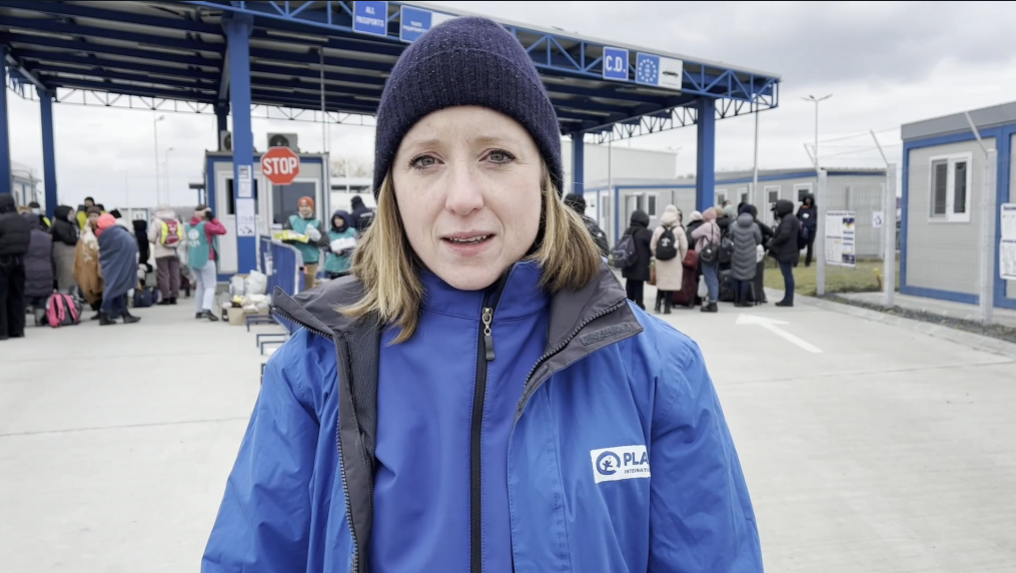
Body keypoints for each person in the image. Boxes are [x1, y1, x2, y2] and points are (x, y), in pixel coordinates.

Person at [202, 16, 763, 573]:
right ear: (391, 189)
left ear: (543, 177)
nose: (463, 197)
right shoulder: (317, 369)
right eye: (426, 160)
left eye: (497, 156)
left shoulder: (658, 369)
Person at [95, 214, 141, 325]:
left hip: (111, 263)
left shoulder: (102, 234)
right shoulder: (118, 233)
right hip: (119, 262)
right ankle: (104, 314)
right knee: (113, 287)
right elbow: (130, 244)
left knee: (117, 286)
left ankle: (124, 314)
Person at [186, 205, 227, 321]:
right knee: (210, 285)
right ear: (205, 214)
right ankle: (207, 309)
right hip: (206, 258)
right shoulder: (206, 225)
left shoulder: (189, 226)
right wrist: (213, 219)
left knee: (200, 285)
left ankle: (198, 311)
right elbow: (222, 230)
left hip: (194, 259)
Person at [0, 194, 31, 340]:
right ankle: (17, 329)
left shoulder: (1, 220)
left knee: (2, 296)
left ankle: (2, 331)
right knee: (17, 295)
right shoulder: (23, 221)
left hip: (2, 261)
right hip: (20, 261)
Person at [650, 204, 688, 314]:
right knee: (670, 283)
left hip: (660, 259)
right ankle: (667, 307)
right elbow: (684, 246)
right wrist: (681, 257)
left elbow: (652, 245)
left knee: (661, 282)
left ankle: (657, 305)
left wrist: (657, 254)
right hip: (674, 260)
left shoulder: (658, 229)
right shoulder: (679, 229)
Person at [282, 196, 327, 290]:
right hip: (294, 259)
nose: (304, 208)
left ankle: (306, 304)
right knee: (295, 285)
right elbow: (284, 238)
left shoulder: (317, 222)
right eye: (302, 206)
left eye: (307, 206)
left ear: (312, 208)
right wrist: (293, 237)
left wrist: (312, 239)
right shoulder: (292, 220)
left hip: (310, 260)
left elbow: (325, 241)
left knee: (308, 286)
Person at [22, 213, 55, 325]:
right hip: (46, 270)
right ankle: (39, 319)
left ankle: (21, 321)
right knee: (42, 298)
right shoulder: (46, 236)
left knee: (24, 298)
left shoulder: (25, 236)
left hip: (28, 271)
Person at [149, 205, 184, 305]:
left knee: (163, 275)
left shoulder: (156, 221)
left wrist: (157, 242)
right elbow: (182, 236)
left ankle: (165, 297)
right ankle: (174, 296)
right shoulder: (176, 220)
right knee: (175, 274)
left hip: (160, 252)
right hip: (174, 251)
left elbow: (151, 237)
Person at [74, 207, 104, 319]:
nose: (92, 219)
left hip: (100, 261)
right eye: (90, 216)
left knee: (101, 286)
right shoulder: (86, 231)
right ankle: (98, 308)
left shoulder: (103, 229)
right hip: (89, 262)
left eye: (95, 216)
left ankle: (104, 310)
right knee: (90, 287)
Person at [730, 204, 762, 308]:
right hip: (750, 255)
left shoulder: (734, 225)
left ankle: (736, 300)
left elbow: (730, 238)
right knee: (746, 277)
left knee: (736, 276)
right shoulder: (754, 226)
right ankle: (743, 300)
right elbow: (759, 240)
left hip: (736, 253)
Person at [620, 209, 653, 310]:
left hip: (628, 264)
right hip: (640, 266)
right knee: (639, 287)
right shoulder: (645, 233)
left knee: (629, 285)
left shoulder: (628, 231)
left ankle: (628, 306)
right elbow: (652, 248)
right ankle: (639, 307)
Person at [770, 199, 801, 307]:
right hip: (789, 251)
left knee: (787, 275)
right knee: (788, 275)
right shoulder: (791, 218)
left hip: (786, 252)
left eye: (777, 209)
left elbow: (784, 235)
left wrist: (773, 242)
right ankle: (788, 298)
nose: (776, 212)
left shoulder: (788, 220)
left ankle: (788, 299)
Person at [692, 207, 722, 313]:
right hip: (715, 254)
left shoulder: (706, 226)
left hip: (707, 255)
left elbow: (694, 234)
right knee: (714, 277)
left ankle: (712, 303)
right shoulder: (716, 226)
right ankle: (713, 300)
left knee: (710, 278)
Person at [563, 192, 610, 258]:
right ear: (584, 206)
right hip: (589, 265)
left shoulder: (561, 224)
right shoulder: (591, 223)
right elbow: (604, 250)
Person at [50, 205, 79, 293]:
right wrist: (80, 240)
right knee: (66, 279)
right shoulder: (60, 224)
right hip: (64, 253)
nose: (73, 215)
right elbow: (67, 238)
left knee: (70, 278)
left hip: (67, 254)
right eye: (71, 213)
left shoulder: (68, 224)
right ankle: (65, 300)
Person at [323, 210, 357, 280]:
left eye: (339, 218)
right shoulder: (330, 231)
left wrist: (343, 252)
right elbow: (324, 245)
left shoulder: (351, 231)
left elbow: (356, 248)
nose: (337, 221)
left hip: (345, 266)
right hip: (332, 266)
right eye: (335, 218)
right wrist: (331, 248)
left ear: (345, 219)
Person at [797, 194, 817, 266]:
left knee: (810, 246)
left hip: (811, 230)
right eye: (806, 199)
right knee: (798, 246)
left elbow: (816, 217)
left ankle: (808, 262)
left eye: (809, 199)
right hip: (802, 230)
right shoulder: (801, 208)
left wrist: (813, 225)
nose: (808, 200)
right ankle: (795, 261)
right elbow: (797, 217)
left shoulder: (815, 208)